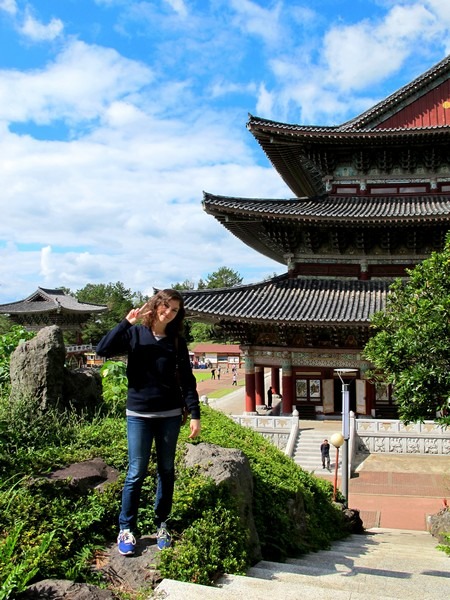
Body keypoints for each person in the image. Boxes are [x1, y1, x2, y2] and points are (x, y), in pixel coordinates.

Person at [96, 289, 201, 556]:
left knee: (166, 471)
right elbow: (102, 349)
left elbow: (187, 380)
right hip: (139, 414)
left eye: (175, 310)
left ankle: (161, 523)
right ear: (156, 306)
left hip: (169, 414)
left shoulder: (176, 341)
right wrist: (125, 322)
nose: (169, 312)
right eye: (166, 306)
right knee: (136, 472)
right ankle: (126, 527)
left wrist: (195, 413)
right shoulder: (134, 334)